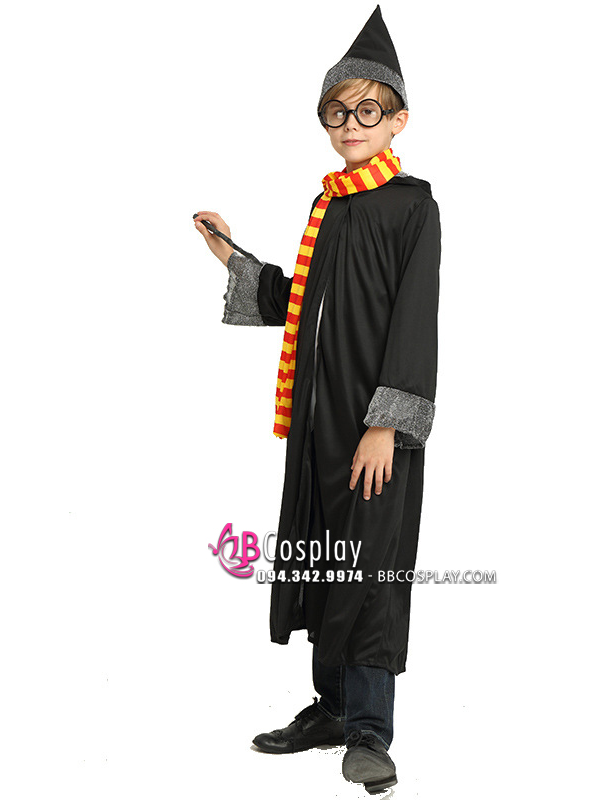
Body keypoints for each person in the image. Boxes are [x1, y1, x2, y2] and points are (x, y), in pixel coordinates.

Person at [194, 6, 440, 794]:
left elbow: (414, 321)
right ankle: (331, 709)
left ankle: (370, 731)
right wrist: (231, 255)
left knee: (368, 567)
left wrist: (385, 426)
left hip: (372, 428)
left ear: (397, 120)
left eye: (367, 110)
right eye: (337, 112)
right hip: (316, 422)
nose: (350, 124)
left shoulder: (412, 206)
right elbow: (301, 301)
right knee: (324, 554)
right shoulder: (327, 206)